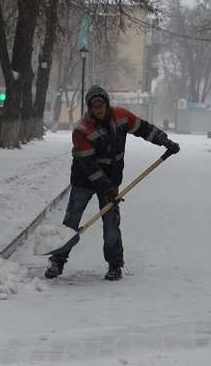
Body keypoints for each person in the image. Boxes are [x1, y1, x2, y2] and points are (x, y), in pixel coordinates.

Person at [45, 85, 180, 281]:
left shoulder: (121, 116)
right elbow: (89, 166)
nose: (98, 110)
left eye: (101, 105)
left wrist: (165, 141)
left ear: (107, 104)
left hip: (112, 179)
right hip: (84, 180)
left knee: (111, 224)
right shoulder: (82, 129)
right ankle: (58, 260)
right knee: (71, 222)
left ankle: (115, 265)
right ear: (89, 108)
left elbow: (144, 129)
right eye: (94, 107)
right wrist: (106, 187)